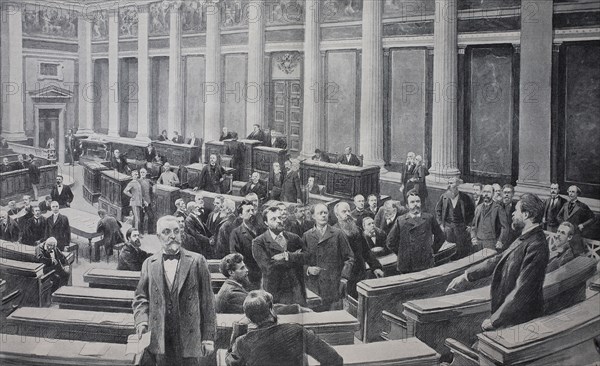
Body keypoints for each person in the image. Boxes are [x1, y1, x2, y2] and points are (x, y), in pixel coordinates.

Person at [447, 194, 549, 331]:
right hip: (510, 315)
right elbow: (498, 260)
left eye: (516, 210)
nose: (513, 213)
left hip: (519, 319)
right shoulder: (526, 237)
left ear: (526, 214)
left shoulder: (537, 244)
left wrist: (495, 320)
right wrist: (466, 276)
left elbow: (523, 289)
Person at [133, 216, 217, 366]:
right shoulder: (149, 263)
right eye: (166, 232)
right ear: (158, 237)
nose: (173, 236)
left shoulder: (197, 261)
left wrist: (208, 337)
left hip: (189, 335)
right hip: (160, 335)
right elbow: (141, 297)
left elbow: (208, 302)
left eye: (176, 231)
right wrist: (141, 321)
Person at [226, 290, 343, 366]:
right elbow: (334, 359)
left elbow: (230, 362)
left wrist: (238, 330)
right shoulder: (297, 331)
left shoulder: (243, 342)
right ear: (271, 308)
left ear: (249, 318)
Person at [252, 206, 310, 306]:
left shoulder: (294, 238)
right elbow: (268, 267)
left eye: (280, 218)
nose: (278, 221)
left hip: (297, 291)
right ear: (266, 223)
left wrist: (287, 256)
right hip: (275, 292)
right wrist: (296, 258)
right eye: (273, 219)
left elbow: (308, 257)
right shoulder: (258, 242)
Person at [303, 203, 354, 311]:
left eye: (325, 213)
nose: (323, 215)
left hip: (334, 287)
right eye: (320, 213)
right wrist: (308, 269)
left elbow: (349, 258)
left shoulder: (338, 234)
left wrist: (344, 278)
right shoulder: (307, 236)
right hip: (314, 288)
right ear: (313, 216)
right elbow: (300, 260)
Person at [387, 190, 446, 274]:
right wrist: (402, 253)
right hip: (406, 265)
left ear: (421, 203)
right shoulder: (401, 220)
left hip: (425, 262)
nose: (415, 204)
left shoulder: (429, 218)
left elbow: (441, 237)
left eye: (417, 201)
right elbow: (390, 242)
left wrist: (431, 250)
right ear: (407, 205)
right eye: (412, 202)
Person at [335, 202, 383, 298]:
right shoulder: (333, 232)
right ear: (337, 215)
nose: (348, 214)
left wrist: (376, 267)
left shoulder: (357, 230)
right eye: (344, 212)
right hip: (344, 278)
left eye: (349, 211)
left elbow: (366, 251)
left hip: (360, 274)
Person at [435, 178, 476, 259]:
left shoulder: (465, 197)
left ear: (457, 185)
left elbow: (472, 212)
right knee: (449, 248)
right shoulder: (444, 197)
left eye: (451, 183)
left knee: (461, 248)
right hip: (448, 227)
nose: (449, 185)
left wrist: (469, 225)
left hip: (461, 227)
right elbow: (438, 210)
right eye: (448, 183)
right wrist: (440, 224)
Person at [229, 201, 262, 290]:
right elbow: (235, 257)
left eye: (253, 210)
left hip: (265, 276)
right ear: (240, 215)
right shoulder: (236, 233)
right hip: (249, 278)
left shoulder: (262, 230)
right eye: (248, 211)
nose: (252, 213)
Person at [557, 185, 596, 256]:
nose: (571, 194)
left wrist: (583, 225)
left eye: (573, 192)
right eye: (569, 192)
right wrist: (564, 224)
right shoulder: (565, 204)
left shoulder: (582, 206)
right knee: (563, 253)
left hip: (576, 234)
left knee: (576, 254)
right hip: (565, 235)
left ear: (577, 194)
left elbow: (593, 218)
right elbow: (558, 216)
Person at [470, 184, 510, 251]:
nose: (486, 194)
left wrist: (500, 241)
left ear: (493, 194)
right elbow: (473, 226)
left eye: (488, 192)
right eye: (484, 192)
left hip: (491, 243)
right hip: (478, 242)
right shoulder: (478, 208)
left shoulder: (498, 208)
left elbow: (505, 227)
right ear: (482, 193)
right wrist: (473, 237)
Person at [139, 168, 155, 234]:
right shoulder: (137, 181)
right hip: (141, 202)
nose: (142, 174)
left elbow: (155, 184)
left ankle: (150, 232)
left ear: (146, 173)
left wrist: (154, 189)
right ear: (140, 173)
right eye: (141, 172)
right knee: (141, 218)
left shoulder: (148, 180)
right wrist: (143, 201)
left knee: (151, 217)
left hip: (148, 202)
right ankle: (140, 232)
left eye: (144, 172)